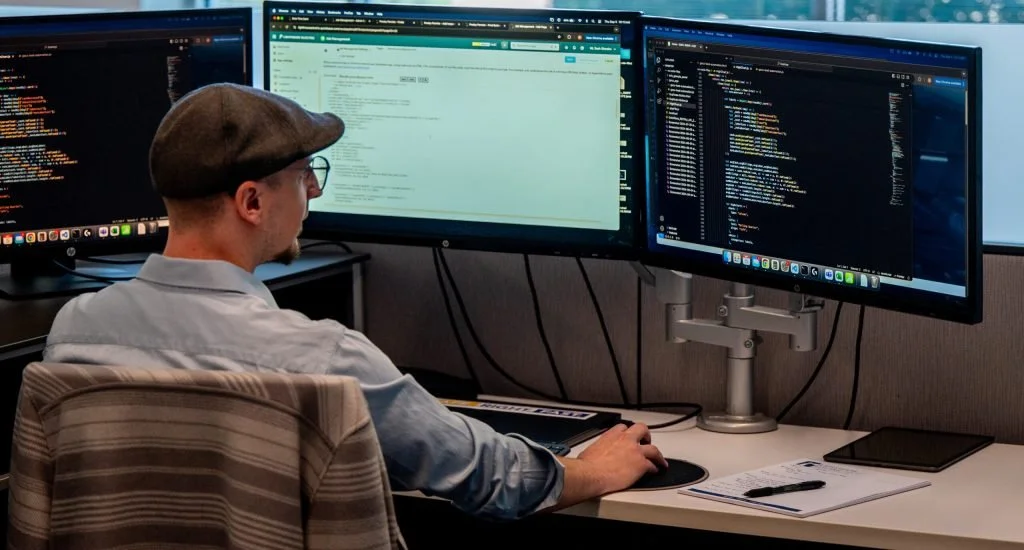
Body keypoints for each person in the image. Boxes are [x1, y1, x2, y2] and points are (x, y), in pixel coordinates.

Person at [43, 82, 668, 520]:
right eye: (304, 175)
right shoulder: (324, 361)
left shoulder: (75, 333)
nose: (313, 191)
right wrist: (593, 469)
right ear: (252, 202)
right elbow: (486, 477)